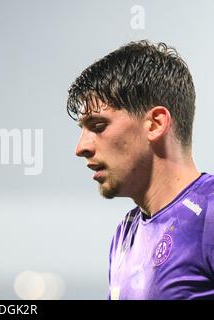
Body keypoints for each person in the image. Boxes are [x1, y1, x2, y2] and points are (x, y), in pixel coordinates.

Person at [66, 40, 214, 299]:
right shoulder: (125, 235)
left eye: (98, 126)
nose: (81, 148)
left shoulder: (209, 214)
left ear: (155, 124)